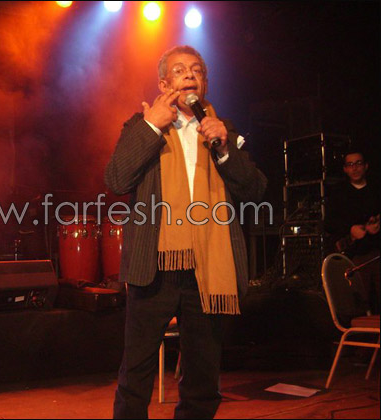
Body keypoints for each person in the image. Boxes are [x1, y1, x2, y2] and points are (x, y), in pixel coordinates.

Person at [104, 45, 267, 419]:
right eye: (179, 70)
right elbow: (116, 179)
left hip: (207, 268)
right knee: (137, 371)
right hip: (155, 266)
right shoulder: (142, 125)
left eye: (197, 70)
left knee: (202, 377)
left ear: (205, 83)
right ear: (164, 84)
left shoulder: (221, 130)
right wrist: (151, 126)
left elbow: (255, 190)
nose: (190, 74)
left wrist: (224, 148)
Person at [325, 150, 380, 314]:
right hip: (353, 256)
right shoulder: (338, 193)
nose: (354, 168)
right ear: (345, 169)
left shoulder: (376, 190)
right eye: (350, 164)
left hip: (377, 252)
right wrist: (350, 229)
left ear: (366, 166)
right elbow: (329, 223)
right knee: (357, 304)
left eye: (358, 163)